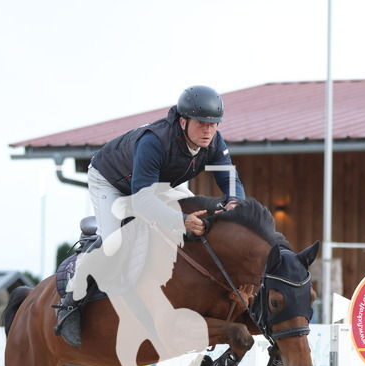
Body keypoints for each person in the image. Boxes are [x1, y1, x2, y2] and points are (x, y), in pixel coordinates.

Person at [54, 85, 247, 347]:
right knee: (114, 244)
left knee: (199, 218)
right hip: (111, 181)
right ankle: (70, 303)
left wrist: (235, 203)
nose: (208, 131)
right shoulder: (154, 142)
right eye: (202, 123)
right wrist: (180, 221)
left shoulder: (213, 142)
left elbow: (229, 180)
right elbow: (143, 201)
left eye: (213, 124)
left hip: (158, 182)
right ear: (183, 121)